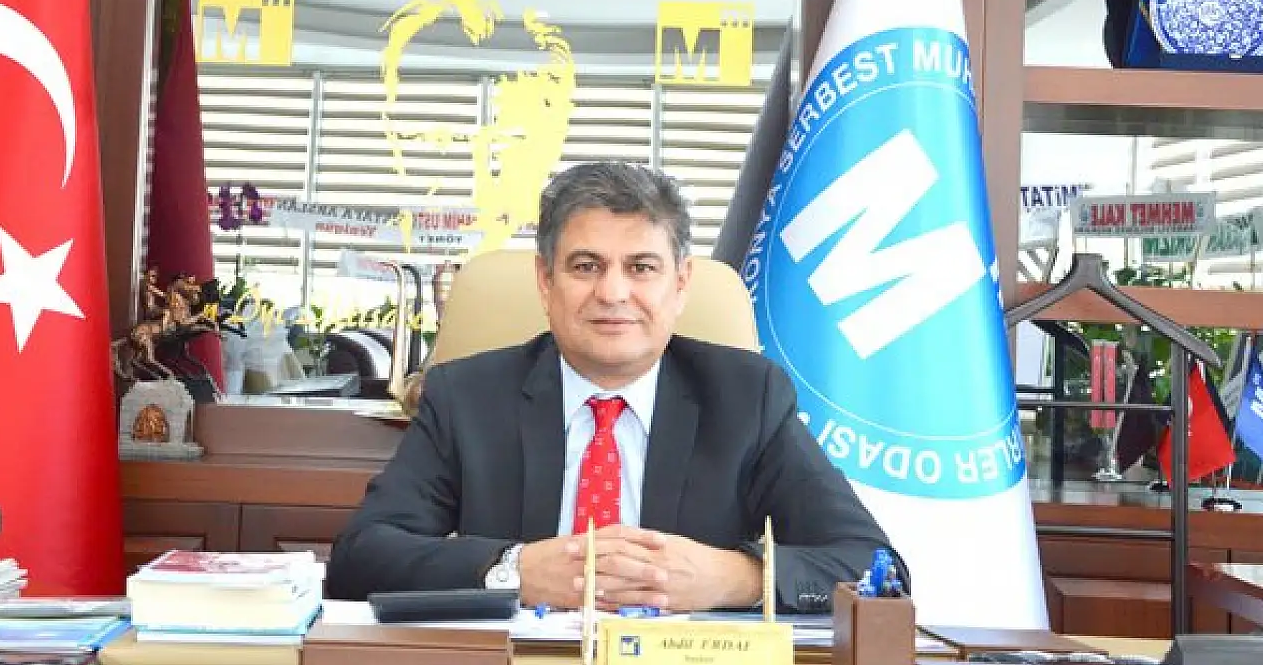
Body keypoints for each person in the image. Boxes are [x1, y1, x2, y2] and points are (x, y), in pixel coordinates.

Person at [326, 162, 905, 613]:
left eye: (641, 268)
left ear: (680, 285)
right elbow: (360, 558)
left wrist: (735, 578)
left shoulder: (746, 397)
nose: (612, 293)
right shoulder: (468, 395)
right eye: (586, 266)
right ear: (545, 282)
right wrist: (513, 569)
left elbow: (875, 567)